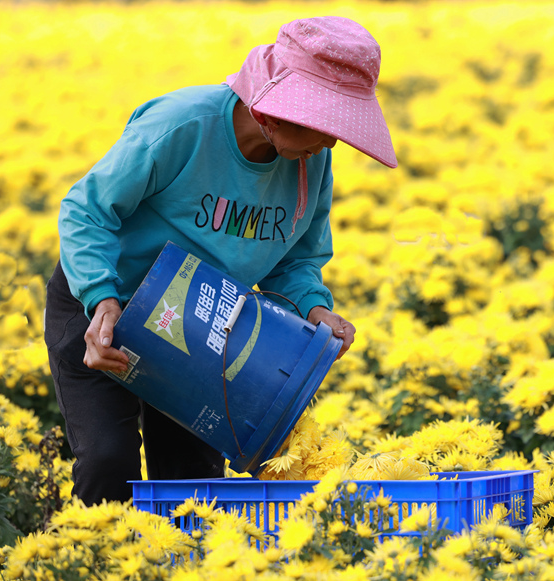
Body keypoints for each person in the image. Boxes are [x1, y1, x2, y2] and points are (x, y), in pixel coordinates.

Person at [43, 16, 397, 505]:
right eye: (326, 124)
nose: (333, 142)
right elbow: (87, 210)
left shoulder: (311, 160)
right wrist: (101, 299)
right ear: (273, 110)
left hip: (200, 324)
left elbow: (296, 259)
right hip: (106, 308)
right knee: (109, 460)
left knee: (192, 480)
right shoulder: (182, 126)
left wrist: (315, 309)